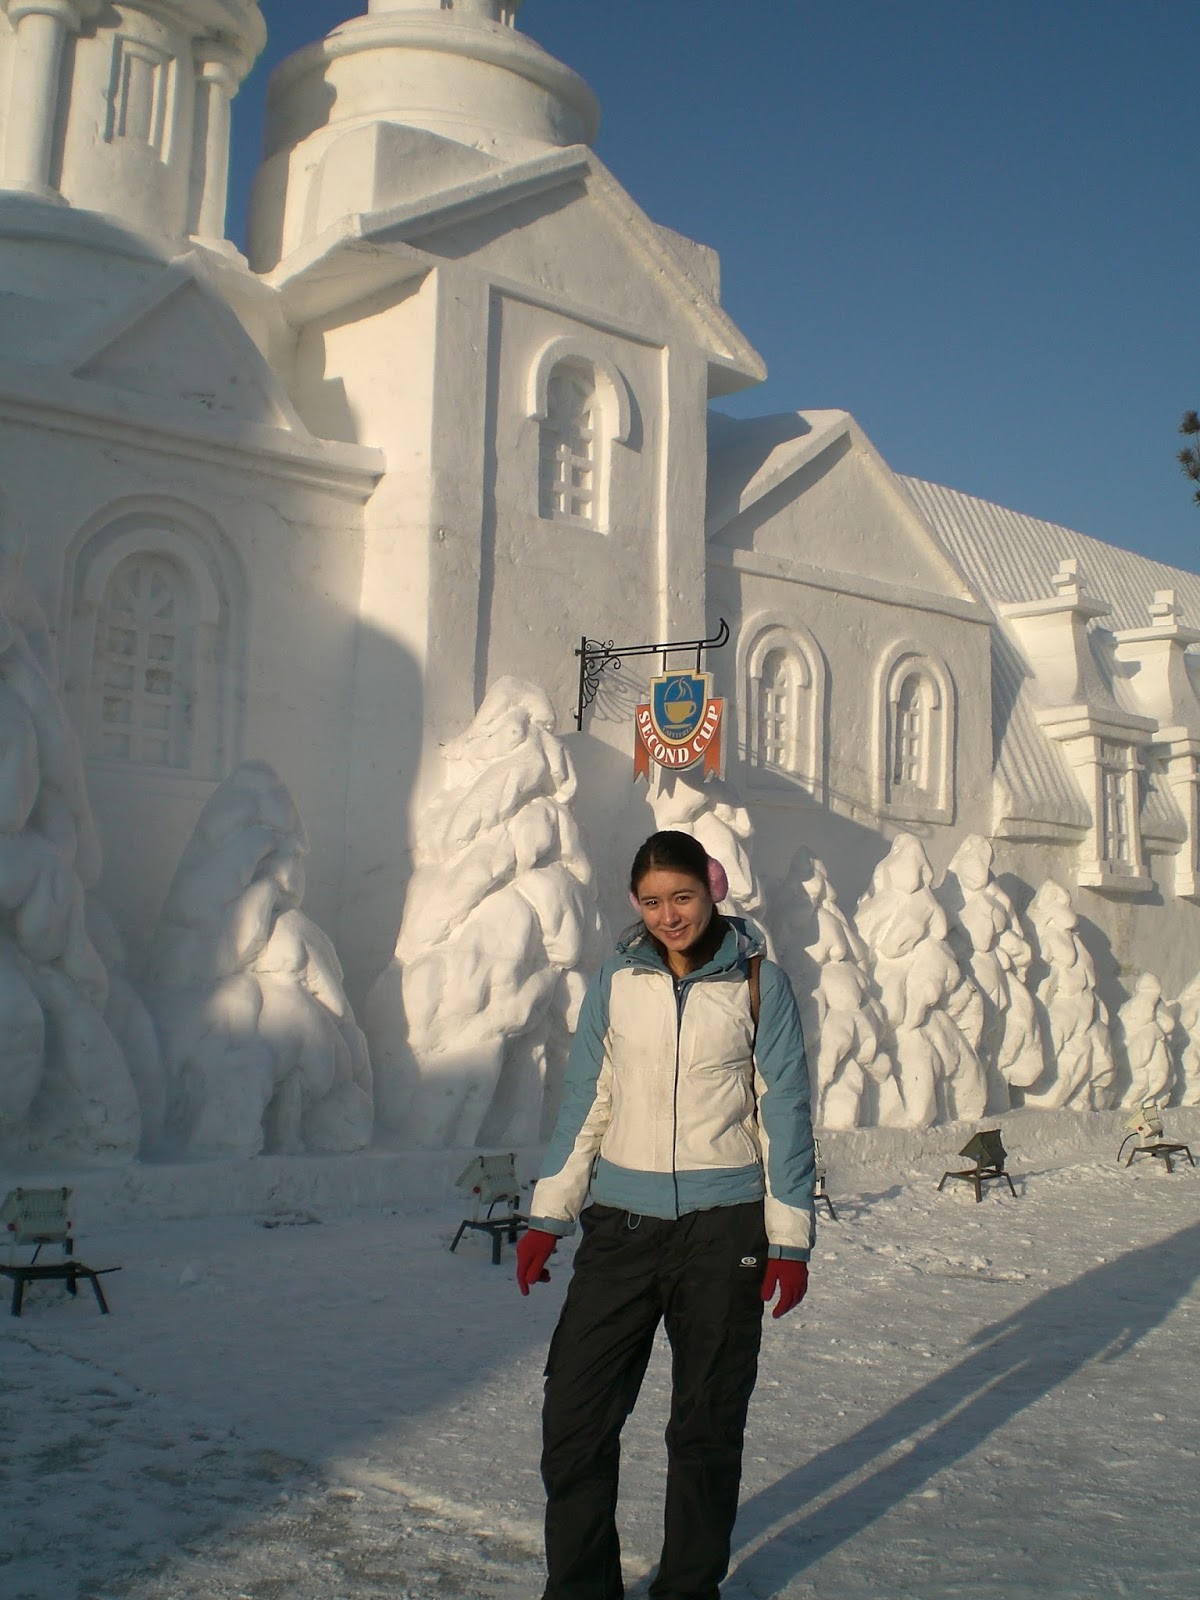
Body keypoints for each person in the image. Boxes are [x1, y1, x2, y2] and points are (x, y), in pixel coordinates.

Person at [516, 829, 815, 1600]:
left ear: (711, 890)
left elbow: (784, 1110)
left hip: (724, 1231)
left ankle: (689, 1588)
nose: (668, 916)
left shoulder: (759, 983)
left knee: (707, 1425)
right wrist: (550, 1214)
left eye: (681, 897)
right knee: (575, 1417)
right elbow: (587, 1098)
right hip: (622, 1228)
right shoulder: (617, 979)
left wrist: (789, 1240)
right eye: (651, 902)